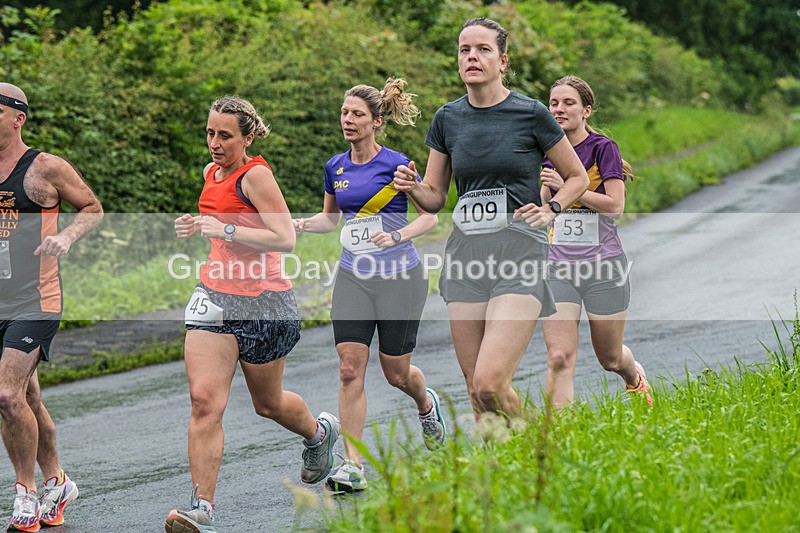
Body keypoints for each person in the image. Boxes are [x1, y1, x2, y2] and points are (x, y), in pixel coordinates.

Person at [393, 19, 589, 420]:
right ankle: (498, 477)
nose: (472, 57)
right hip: (467, 254)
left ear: (503, 61)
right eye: (464, 50)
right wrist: (412, 187)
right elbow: (434, 199)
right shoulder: (447, 118)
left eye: (482, 49)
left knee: (490, 382)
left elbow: (577, 177)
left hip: (520, 250)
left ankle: (541, 455)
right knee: (476, 393)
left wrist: (551, 209)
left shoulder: (530, 113)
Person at [165, 96, 339, 533]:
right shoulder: (211, 173)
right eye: (210, 133)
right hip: (214, 296)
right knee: (205, 402)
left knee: (268, 404)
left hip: (265, 302)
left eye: (225, 135)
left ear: (247, 137)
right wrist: (196, 227)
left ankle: (318, 434)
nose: (215, 143)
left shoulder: (256, 175)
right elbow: (219, 229)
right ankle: (201, 508)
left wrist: (224, 227)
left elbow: (284, 238)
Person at [294, 79, 445, 494]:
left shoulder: (398, 164)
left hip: (400, 277)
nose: (348, 119)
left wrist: (396, 237)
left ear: (377, 121)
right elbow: (331, 219)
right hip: (353, 278)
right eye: (345, 113)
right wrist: (302, 223)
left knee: (396, 373)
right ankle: (353, 465)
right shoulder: (335, 166)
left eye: (357, 114)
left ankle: (426, 404)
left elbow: (429, 217)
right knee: (348, 369)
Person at [0, 82, 103, 531]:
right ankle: (56, 481)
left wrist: (65, 237)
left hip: (36, 299)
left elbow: (92, 207)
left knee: (6, 394)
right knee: (28, 396)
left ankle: (24, 493)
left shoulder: (45, 167)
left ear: (17, 117)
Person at [540, 75, 652, 408]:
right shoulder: (544, 150)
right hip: (558, 266)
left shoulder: (603, 149)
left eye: (569, 103)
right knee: (559, 356)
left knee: (611, 358)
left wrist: (569, 186)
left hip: (603, 265)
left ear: (586, 110)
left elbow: (615, 207)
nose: (560, 109)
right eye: (554, 103)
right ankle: (560, 438)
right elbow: (543, 207)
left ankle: (634, 377)